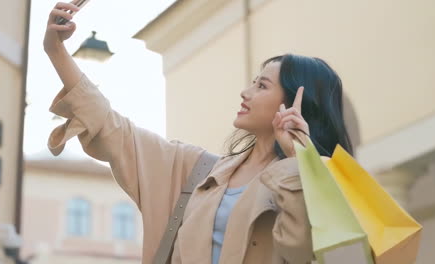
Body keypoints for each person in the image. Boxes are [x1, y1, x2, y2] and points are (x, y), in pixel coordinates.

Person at [43, 2, 353, 264]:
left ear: (294, 103)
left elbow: (303, 254)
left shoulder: (318, 180)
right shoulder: (199, 171)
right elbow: (114, 129)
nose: (245, 93)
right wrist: (55, 50)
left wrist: (295, 161)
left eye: (261, 86)